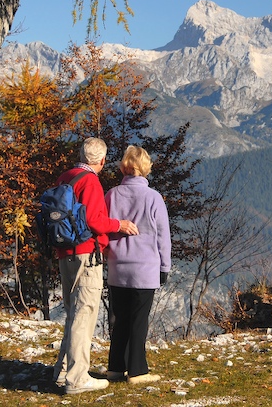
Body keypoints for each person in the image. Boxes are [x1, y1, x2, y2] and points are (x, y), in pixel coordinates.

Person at [52, 137, 139, 395]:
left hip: (64, 251)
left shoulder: (65, 176)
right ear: (101, 161)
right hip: (85, 253)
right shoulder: (90, 181)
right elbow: (93, 219)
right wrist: (118, 225)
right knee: (84, 312)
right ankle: (78, 377)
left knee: (72, 312)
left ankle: (63, 372)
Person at [104, 145, 172, 385]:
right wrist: (165, 267)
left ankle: (115, 368)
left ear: (124, 166)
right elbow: (163, 236)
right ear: (145, 168)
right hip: (145, 267)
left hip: (117, 265)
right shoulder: (153, 198)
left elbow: (104, 225)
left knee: (119, 318)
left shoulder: (111, 195)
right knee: (138, 320)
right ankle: (137, 371)